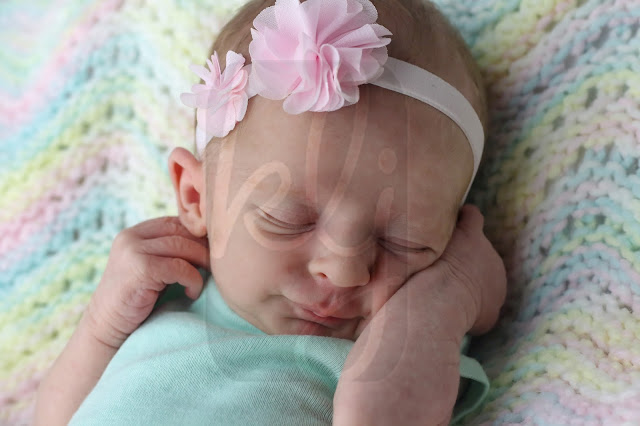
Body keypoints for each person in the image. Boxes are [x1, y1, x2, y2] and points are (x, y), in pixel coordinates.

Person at [34, 0, 507, 424]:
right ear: (197, 198)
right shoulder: (166, 297)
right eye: (288, 220)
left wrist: (449, 294)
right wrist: (102, 325)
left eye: (404, 242)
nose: (343, 272)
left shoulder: (404, 348)